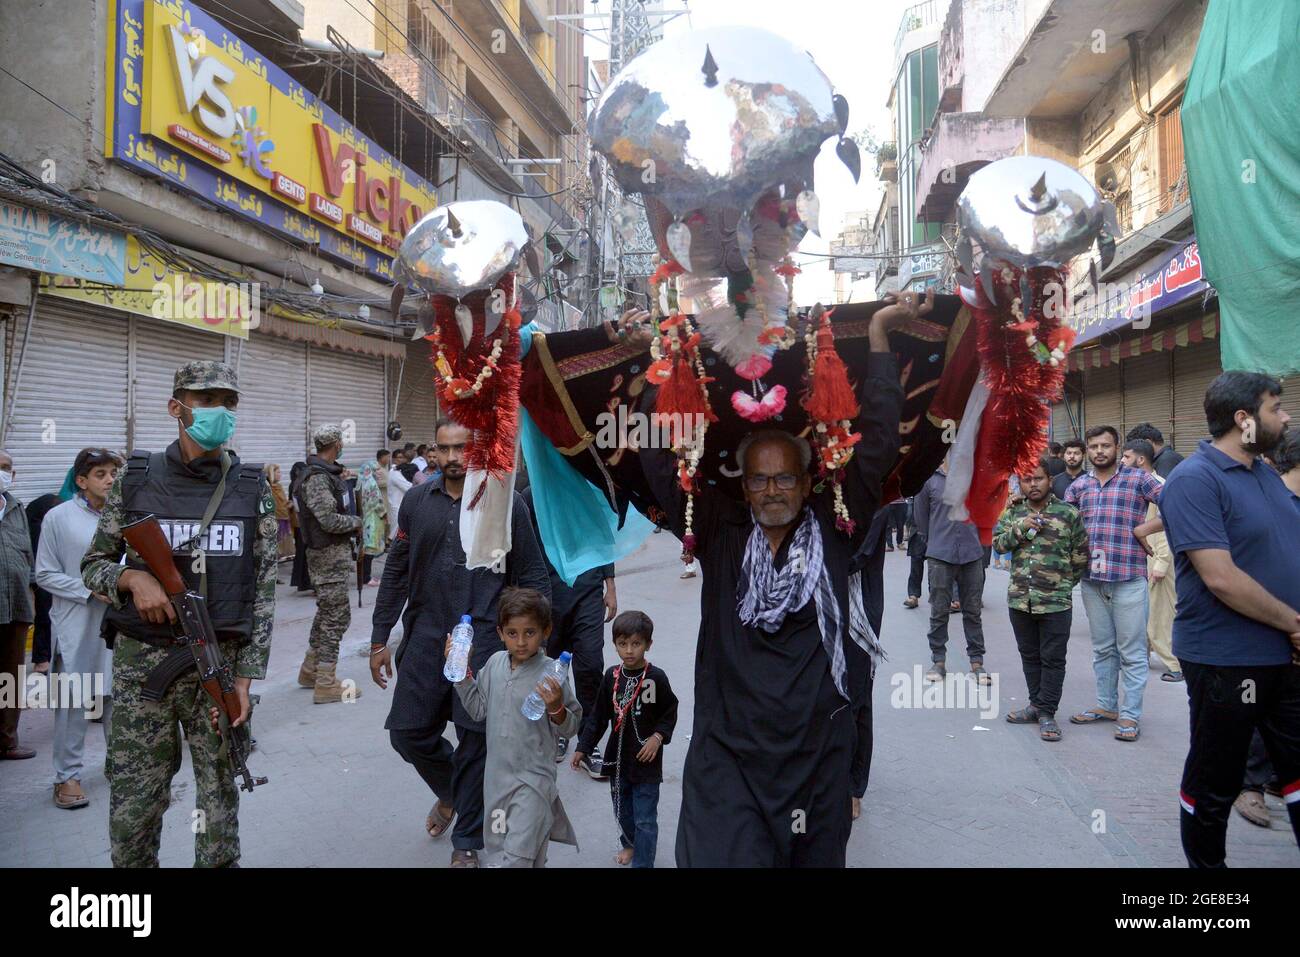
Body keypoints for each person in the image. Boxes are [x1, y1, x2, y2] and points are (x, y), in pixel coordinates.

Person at [638, 290, 913, 868]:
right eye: (760, 481)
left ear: (806, 481)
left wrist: (882, 336)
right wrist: (653, 366)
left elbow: (880, 442)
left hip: (814, 752)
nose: (772, 491)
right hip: (730, 751)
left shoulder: (835, 528)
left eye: (784, 479)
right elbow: (658, 463)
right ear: (743, 488)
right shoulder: (719, 532)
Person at [80, 361, 276, 867]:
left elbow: (264, 593)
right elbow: (93, 565)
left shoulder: (252, 487)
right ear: (177, 408)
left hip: (219, 663)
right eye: (207, 400)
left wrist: (246, 679)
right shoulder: (136, 478)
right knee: (136, 806)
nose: (219, 412)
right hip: (144, 664)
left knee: (218, 805)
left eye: (228, 402)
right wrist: (132, 578)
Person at [370, 419, 550, 868]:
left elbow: (531, 577)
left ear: (478, 449)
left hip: (487, 649)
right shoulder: (416, 500)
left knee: (475, 745)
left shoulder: (505, 504)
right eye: (444, 449)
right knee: (407, 733)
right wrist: (379, 639)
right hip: (427, 640)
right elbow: (395, 571)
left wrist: (530, 651)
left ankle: (466, 841)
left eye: (461, 448)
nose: (452, 458)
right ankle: (451, 793)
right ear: (435, 450)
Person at [1150, 371, 1299, 867]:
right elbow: (1221, 578)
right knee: (1216, 779)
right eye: (1276, 407)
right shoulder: (1194, 479)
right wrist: (1294, 623)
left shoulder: (1265, 475)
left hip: (1285, 656)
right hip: (1227, 662)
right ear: (1244, 419)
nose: (1286, 417)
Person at [451, 588, 579, 867]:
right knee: (531, 857)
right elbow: (477, 710)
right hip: (498, 782)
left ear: (546, 630)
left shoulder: (552, 674)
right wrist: (461, 670)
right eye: (512, 633)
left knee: (518, 858)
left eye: (530, 633)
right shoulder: (495, 664)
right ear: (500, 633)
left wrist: (556, 707)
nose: (521, 642)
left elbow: (572, 726)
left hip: (534, 781)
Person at [35, 448, 122, 807]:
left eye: (114, 473)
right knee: (73, 703)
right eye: (100, 474)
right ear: (82, 481)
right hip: (76, 624)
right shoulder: (59, 517)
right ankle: (67, 777)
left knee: (118, 699)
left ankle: (121, 768)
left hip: (120, 623)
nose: (110, 480)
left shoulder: (127, 516)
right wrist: (87, 590)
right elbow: (43, 573)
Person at [1064, 425, 1162, 742]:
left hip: (1129, 577)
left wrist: (1143, 530)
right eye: (1094, 446)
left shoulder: (1138, 478)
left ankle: (1130, 716)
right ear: (1087, 450)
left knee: (1132, 652)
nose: (1099, 451)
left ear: (1117, 447)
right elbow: (1065, 529)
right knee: (1103, 649)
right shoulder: (1078, 487)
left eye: (1106, 445)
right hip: (1092, 581)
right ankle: (1107, 706)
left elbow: (1176, 503)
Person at [519, 484, 617, 771]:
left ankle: (588, 743)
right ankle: (560, 729)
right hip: (546, 596)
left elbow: (603, 535)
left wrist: (610, 585)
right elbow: (520, 547)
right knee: (552, 670)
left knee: (590, 665)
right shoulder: (531, 495)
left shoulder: (586, 489)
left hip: (587, 591)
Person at [573, 609, 678, 867]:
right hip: (618, 761)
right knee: (623, 810)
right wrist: (583, 747)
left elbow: (670, 711)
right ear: (615, 645)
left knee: (644, 818)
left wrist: (658, 737)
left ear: (648, 645)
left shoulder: (656, 678)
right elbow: (597, 716)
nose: (629, 650)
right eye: (623, 644)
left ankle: (643, 862)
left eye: (636, 644)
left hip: (646, 762)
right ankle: (630, 844)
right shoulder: (611, 677)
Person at [993, 457, 1088, 743]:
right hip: (1020, 600)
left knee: (1053, 659)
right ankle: (1035, 704)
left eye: (1038, 479)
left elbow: (1080, 556)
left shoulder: (1068, 513)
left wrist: (1062, 586)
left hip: (1056, 603)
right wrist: (1020, 527)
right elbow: (997, 545)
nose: (1032, 485)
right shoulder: (1012, 513)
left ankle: (1047, 711)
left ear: (1049, 480)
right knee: (1030, 656)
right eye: (1026, 480)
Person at [291, 425, 364, 704]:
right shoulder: (318, 479)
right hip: (327, 557)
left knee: (326, 615)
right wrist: (357, 523)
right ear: (335, 444)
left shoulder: (326, 474)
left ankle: (310, 670)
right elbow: (329, 521)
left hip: (331, 557)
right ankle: (326, 682)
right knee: (336, 618)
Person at [913, 459, 989, 684]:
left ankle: (977, 662)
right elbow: (921, 519)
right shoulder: (928, 480)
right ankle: (938, 660)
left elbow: (985, 509)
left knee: (973, 611)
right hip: (939, 555)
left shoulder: (974, 476)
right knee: (939, 611)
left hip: (972, 553)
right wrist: (936, 541)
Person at [1122, 439, 1181, 683]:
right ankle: (1141, 657)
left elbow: (1170, 525)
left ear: (1141, 459)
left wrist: (1161, 564)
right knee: (1140, 614)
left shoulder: (1159, 486)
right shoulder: (1131, 485)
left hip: (1159, 561)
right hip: (1141, 560)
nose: (1122, 461)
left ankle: (1175, 664)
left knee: (1161, 615)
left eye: (1126, 457)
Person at [0, 449, 37, 761]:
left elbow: (28, 555)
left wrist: (32, 588)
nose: (3, 472)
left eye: (7, 467)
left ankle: (7, 741)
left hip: (17, 606)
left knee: (10, 678)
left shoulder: (15, 509)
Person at [26, 472, 75, 676]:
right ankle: (42, 659)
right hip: (49, 570)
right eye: (100, 474)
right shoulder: (50, 507)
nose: (108, 480)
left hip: (73, 571)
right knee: (45, 611)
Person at [356, 457, 387, 586]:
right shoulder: (372, 484)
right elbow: (377, 502)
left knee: (365, 547)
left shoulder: (361, 482)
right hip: (373, 519)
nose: (378, 472)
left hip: (365, 518)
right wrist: (384, 514)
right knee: (370, 548)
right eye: (376, 469)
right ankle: (367, 577)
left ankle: (363, 576)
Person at [288, 461, 313, 593]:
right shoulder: (299, 484)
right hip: (302, 524)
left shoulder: (294, 483)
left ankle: (302, 582)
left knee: (301, 554)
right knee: (304, 554)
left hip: (299, 524)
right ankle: (304, 582)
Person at [264, 464, 294, 567]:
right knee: (273, 547)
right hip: (274, 520)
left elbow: (282, 503)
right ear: (271, 474)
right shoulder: (268, 487)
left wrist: (288, 504)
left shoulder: (279, 487)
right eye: (278, 472)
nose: (280, 474)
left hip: (283, 519)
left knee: (281, 546)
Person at [386, 450, 413, 540]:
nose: (402, 460)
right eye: (399, 457)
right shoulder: (395, 473)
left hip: (398, 505)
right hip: (397, 506)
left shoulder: (400, 471)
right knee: (395, 533)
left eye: (403, 458)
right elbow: (408, 487)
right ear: (393, 460)